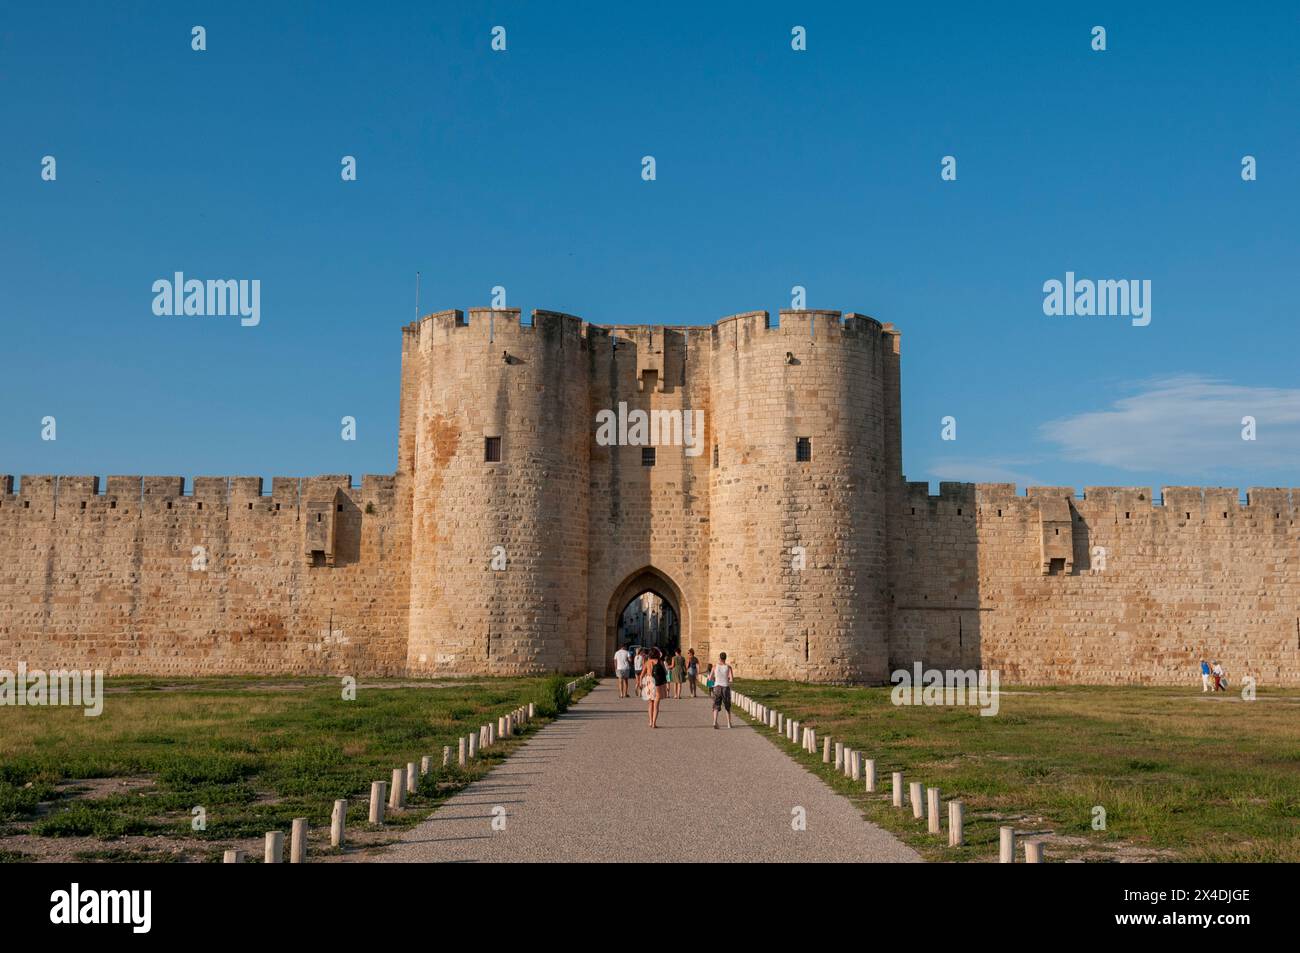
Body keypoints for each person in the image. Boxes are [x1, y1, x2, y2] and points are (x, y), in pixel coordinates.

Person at [645, 648, 667, 728]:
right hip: (658, 683)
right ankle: (654, 723)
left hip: (649, 683)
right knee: (656, 704)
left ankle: (650, 721)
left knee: (650, 703)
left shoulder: (647, 662)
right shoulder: (660, 662)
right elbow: (666, 672)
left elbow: (644, 673)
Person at [711, 652, 734, 729]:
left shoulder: (714, 666)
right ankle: (729, 723)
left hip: (717, 687)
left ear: (719, 658)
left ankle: (715, 721)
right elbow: (731, 679)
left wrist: (715, 679)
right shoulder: (728, 667)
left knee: (716, 705)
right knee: (727, 705)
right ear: (725, 658)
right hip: (725, 687)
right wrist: (726, 679)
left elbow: (710, 678)